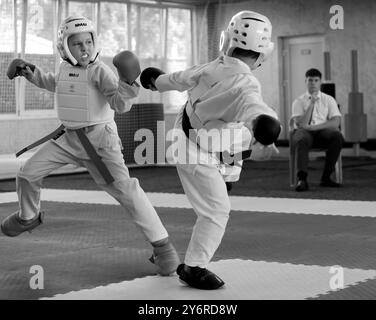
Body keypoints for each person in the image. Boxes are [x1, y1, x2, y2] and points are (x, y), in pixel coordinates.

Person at [1, 16, 180, 276]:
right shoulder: (64, 68)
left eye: (88, 41)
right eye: (77, 44)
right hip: (69, 138)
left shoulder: (101, 71)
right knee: (27, 174)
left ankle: (164, 249)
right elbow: (55, 83)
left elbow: (119, 104)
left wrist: (129, 84)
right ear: (64, 48)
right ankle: (28, 217)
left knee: (127, 192)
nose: (84, 48)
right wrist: (31, 73)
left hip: (100, 142)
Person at [141, 10, 281, 289]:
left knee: (239, 133)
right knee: (217, 211)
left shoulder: (209, 66)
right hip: (197, 154)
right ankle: (194, 268)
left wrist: (154, 80)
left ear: (225, 40)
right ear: (263, 55)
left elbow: (177, 79)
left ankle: (226, 177)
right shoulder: (246, 82)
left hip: (186, 140)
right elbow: (253, 104)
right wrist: (265, 125)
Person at [291, 68, 344, 192]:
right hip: (304, 133)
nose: (313, 83)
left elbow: (336, 122)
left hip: (322, 132)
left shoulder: (329, 99)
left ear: (320, 82)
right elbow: (302, 123)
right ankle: (302, 180)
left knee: (337, 136)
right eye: (310, 80)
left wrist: (315, 127)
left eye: (316, 80)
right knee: (301, 138)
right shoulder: (298, 101)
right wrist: (312, 104)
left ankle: (326, 177)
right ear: (306, 81)